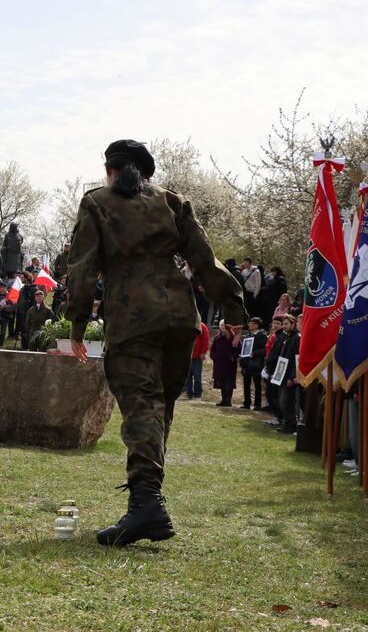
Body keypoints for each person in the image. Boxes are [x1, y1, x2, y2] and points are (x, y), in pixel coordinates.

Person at [65, 138, 245, 547]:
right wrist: (233, 311)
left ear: (110, 169)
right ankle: (148, 500)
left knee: (142, 406)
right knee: (159, 406)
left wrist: (76, 323)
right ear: (146, 172)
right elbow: (205, 258)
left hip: (133, 318)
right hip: (182, 318)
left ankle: (146, 504)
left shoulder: (97, 202)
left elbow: (83, 268)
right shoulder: (172, 202)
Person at [277, 314, 301, 434]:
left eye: (286, 324)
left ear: (293, 324)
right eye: (283, 324)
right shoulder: (288, 337)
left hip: (289, 376)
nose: (284, 326)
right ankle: (287, 424)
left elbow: (296, 359)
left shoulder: (297, 337)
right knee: (283, 402)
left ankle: (291, 425)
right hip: (283, 374)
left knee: (287, 402)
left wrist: (292, 376)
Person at [239, 317, 268, 410]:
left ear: (256, 325)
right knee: (246, 384)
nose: (249, 325)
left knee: (257, 384)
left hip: (256, 363)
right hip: (247, 363)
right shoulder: (247, 336)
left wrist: (254, 354)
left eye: (252, 323)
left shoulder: (262, 336)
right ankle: (247, 403)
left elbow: (264, 350)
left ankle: (257, 404)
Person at [210, 321, 239, 407]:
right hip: (219, 363)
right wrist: (214, 357)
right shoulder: (217, 337)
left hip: (229, 364)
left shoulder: (233, 336)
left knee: (229, 382)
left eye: (225, 325)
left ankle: (228, 401)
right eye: (221, 325)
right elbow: (212, 349)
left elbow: (238, 348)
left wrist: (233, 357)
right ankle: (223, 400)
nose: (223, 327)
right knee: (222, 382)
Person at [183, 321, 209, 400]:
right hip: (187, 355)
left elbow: (205, 340)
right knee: (188, 376)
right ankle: (189, 393)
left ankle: (197, 394)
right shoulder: (187, 325)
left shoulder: (202, 326)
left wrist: (203, 352)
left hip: (197, 356)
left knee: (197, 377)